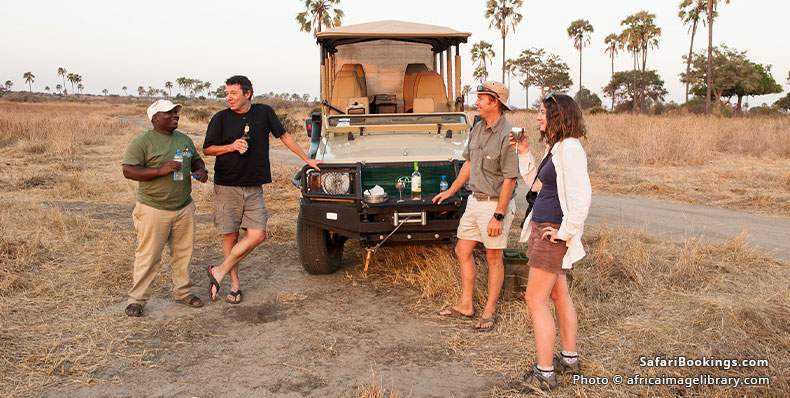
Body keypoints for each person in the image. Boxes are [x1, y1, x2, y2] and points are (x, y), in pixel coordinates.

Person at [203, 75, 319, 304]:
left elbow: (284, 137)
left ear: (248, 93)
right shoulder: (220, 118)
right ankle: (234, 286)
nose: (229, 97)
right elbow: (208, 149)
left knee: (258, 235)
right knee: (230, 235)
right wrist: (231, 146)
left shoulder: (263, 112)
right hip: (227, 185)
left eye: (234, 93)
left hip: (254, 186)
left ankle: (219, 270)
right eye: (226, 93)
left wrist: (307, 159)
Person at [511, 93, 592, 391]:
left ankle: (544, 372)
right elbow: (536, 186)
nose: (537, 118)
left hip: (551, 230)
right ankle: (569, 358)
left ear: (558, 116)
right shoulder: (557, 148)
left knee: (535, 300)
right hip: (545, 227)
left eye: (542, 112)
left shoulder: (570, 149)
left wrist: (564, 232)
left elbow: (582, 197)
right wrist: (523, 152)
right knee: (559, 296)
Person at [432, 81, 523, 332]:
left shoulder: (511, 134)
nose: (477, 102)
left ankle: (490, 311)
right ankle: (466, 305)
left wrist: (499, 215)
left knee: (494, 257)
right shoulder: (478, 127)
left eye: (482, 98)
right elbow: (469, 164)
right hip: (475, 201)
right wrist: (450, 191)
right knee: (462, 249)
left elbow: (510, 178)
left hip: (495, 204)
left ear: (495, 102)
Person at [122, 100, 209, 317]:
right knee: (148, 256)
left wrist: (201, 171)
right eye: (169, 113)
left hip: (183, 207)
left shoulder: (185, 139)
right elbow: (128, 171)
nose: (175, 116)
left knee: (182, 253)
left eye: (176, 113)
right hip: (153, 208)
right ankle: (137, 299)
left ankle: (183, 292)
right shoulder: (143, 142)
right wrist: (160, 170)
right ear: (154, 118)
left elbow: (197, 161)